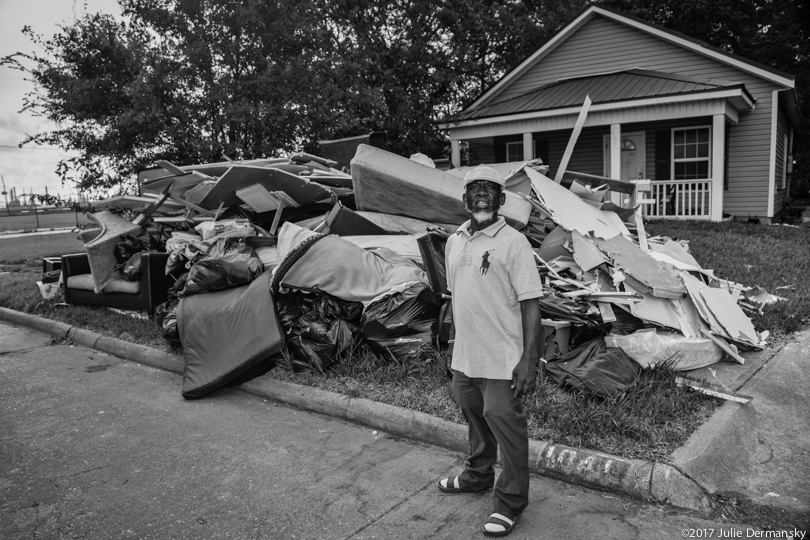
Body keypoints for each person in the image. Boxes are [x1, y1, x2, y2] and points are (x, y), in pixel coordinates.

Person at [438, 165, 542, 537]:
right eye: (475, 189)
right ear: (465, 199)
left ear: (501, 200)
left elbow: (531, 304)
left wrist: (529, 360)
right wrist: (451, 344)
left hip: (502, 357)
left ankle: (511, 501)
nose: (482, 194)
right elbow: (457, 296)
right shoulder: (455, 241)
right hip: (466, 356)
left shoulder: (514, 243)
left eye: (490, 189)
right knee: (473, 413)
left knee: (505, 422)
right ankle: (478, 476)